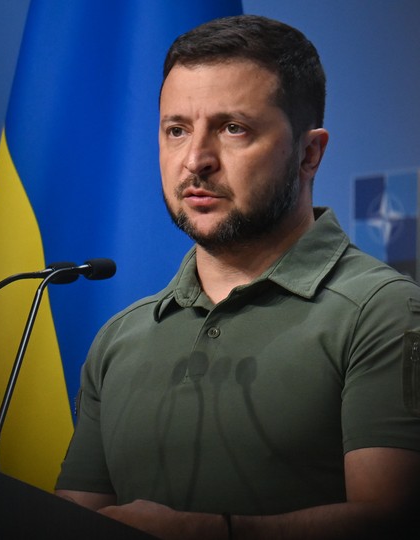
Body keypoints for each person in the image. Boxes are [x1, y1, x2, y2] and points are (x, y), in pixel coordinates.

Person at [54, 14, 420, 539]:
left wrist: (209, 533)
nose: (196, 160)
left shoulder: (383, 311)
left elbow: (394, 520)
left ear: (309, 154)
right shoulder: (119, 338)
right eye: (176, 130)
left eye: (233, 128)